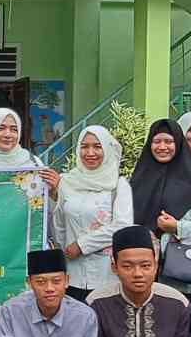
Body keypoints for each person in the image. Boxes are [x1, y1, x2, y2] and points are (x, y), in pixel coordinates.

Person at [132, 117, 191, 297]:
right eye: (157, 141)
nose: (162, 147)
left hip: (180, 267)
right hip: (142, 266)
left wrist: (179, 227)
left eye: (169, 141)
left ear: (178, 144)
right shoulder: (140, 176)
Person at [43, 126, 133, 299]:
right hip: (72, 276)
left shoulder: (118, 185)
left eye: (97, 146)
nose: (90, 152)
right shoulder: (67, 182)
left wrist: (82, 245)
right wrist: (55, 195)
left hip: (107, 277)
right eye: (84, 146)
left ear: (106, 149)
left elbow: (122, 226)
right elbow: (59, 229)